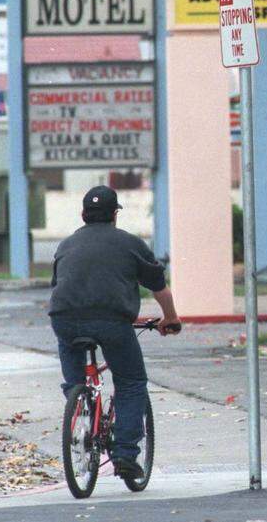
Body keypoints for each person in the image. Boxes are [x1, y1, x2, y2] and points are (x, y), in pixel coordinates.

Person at [49, 185, 181, 481]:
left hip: (64, 318)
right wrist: (170, 319)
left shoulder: (66, 245)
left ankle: (78, 404)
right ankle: (124, 454)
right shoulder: (130, 244)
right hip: (111, 322)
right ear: (115, 215)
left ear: (83, 214)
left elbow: (58, 285)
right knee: (132, 382)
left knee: (74, 376)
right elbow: (158, 287)